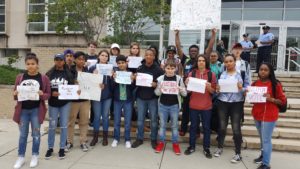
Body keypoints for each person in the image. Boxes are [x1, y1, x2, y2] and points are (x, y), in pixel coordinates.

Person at [175, 29, 217, 136]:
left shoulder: (201, 60)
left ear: (198, 52)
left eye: (195, 51)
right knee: (185, 111)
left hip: (200, 91)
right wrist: (177, 35)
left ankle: (197, 130)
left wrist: (213, 34)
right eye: (191, 51)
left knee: (196, 112)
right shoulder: (185, 60)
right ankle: (183, 129)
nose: (193, 52)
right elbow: (178, 48)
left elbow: (210, 48)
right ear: (189, 52)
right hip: (188, 90)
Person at [13, 53, 51, 169]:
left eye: (33, 64)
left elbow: (48, 95)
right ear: (25, 65)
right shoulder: (20, 77)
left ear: (37, 65)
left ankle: (35, 155)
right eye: (28, 64)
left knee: (36, 135)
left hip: (36, 111)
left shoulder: (43, 78)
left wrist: (41, 94)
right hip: (23, 111)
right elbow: (15, 94)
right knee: (23, 135)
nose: (30, 66)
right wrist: (15, 94)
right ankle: (21, 157)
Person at [250, 63, 286, 169]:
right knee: (262, 138)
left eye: (266, 70)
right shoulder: (255, 83)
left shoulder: (276, 84)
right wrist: (249, 95)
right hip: (257, 114)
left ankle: (266, 164)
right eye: (261, 69)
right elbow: (252, 101)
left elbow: (282, 102)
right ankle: (263, 156)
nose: (263, 71)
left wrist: (271, 99)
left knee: (266, 140)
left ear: (270, 72)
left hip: (269, 116)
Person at [214, 54, 247, 163]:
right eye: (226, 61)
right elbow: (218, 90)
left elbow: (247, 88)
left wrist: (242, 88)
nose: (228, 63)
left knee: (236, 129)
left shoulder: (241, 73)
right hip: (223, 102)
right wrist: (217, 89)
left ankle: (238, 153)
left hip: (236, 103)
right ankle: (220, 147)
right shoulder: (222, 74)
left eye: (230, 61)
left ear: (234, 61)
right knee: (222, 127)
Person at [184, 55, 217, 159]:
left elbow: (214, 91)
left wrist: (209, 87)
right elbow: (188, 91)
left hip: (207, 106)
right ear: (197, 62)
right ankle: (191, 146)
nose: (201, 62)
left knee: (206, 128)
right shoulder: (192, 73)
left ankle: (206, 148)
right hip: (194, 105)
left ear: (206, 62)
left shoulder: (212, 75)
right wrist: (186, 84)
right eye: (199, 60)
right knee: (193, 127)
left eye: (203, 60)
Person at [131, 49, 164, 149]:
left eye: (151, 55)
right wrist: (134, 79)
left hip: (153, 98)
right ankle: (139, 138)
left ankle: (153, 139)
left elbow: (162, 85)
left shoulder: (158, 70)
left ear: (154, 57)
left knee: (154, 120)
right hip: (141, 97)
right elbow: (135, 83)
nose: (148, 56)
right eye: (147, 55)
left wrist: (156, 85)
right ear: (144, 56)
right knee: (140, 120)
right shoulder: (140, 68)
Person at [45, 53, 75, 160]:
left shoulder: (68, 74)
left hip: (65, 103)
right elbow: (45, 88)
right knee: (52, 126)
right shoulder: (49, 74)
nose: (59, 62)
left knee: (63, 126)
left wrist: (77, 91)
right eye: (56, 60)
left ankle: (62, 148)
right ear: (54, 61)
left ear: (64, 61)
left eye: (60, 60)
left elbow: (72, 87)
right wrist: (51, 93)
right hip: (53, 104)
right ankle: (50, 148)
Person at [154, 60, 187, 155]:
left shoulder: (179, 79)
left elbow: (184, 94)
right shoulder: (160, 79)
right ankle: (161, 143)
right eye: (168, 68)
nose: (170, 70)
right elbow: (156, 93)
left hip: (174, 106)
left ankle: (175, 144)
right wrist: (159, 89)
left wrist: (181, 89)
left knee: (174, 126)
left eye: (172, 68)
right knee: (162, 126)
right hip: (162, 105)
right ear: (164, 68)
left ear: (176, 69)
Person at [67, 51, 92, 152]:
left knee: (84, 121)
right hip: (73, 100)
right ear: (75, 60)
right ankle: (69, 142)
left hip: (85, 100)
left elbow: (92, 84)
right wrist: (74, 82)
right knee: (70, 122)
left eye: (83, 59)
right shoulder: (69, 70)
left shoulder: (87, 71)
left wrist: (99, 85)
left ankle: (83, 141)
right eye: (79, 59)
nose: (81, 61)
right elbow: (66, 84)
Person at [89, 50, 113, 146]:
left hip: (107, 96)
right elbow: (88, 82)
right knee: (97, 117)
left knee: (106, 117)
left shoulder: (111, 68)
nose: (104, 57)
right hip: (96, 96)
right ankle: (95, 137)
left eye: (106, 56)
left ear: (108, 58)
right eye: (102, 55)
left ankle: (105, 137)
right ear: (98, 56)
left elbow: (113, 85)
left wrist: (112, 77)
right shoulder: (92, 68)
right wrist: (94, 77)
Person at [111, 55, 135, 148]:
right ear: (117, 64)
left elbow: (133, 88)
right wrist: (113, 79)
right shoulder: (115, 73)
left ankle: (127, 139)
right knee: (116, 121)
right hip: (117, 100)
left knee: (127, 121)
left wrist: (132, 80)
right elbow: (112, 88)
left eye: (123, 63)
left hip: (128, 101)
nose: (121, 64)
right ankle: (116, 138)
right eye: (119, 63)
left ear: (126, 63)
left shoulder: (130, 73)